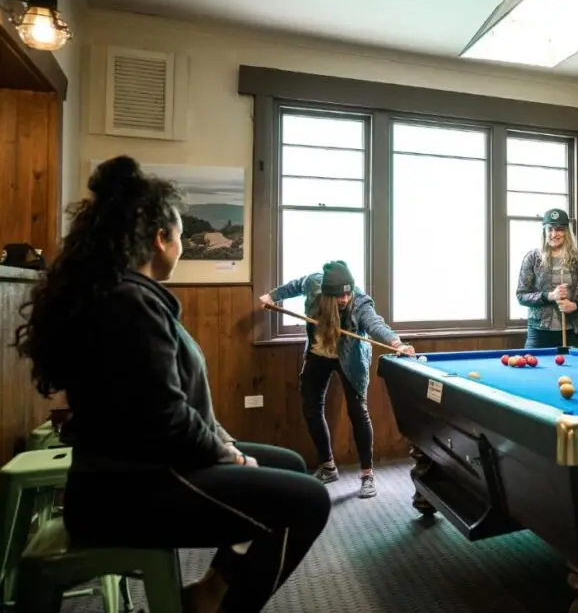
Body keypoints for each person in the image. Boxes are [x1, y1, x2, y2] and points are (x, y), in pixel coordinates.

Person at [13, 156, 330, 613]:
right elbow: (169, 421)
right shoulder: (129, 303)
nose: (182, 247)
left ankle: (211, 591)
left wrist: (225, 444)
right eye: (180, 236)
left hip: (135, 470)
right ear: (161, 240)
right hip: (127, 490)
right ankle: (217, 605)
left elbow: (177, 405)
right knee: (308, 502)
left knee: (292, 464)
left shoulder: (123, 294)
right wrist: (232, 455)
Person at [259, 262, 414, 497]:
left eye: (348, 292)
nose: (344, 298)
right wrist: (271, 296)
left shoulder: (359, 302)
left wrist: (396, 343)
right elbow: (294, 286)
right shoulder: (314, 285)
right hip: (318, 353)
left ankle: (367, 475)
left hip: (350, 359)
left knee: (358, 412)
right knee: (311, 408)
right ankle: (328, 466)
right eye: (339, 294)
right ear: (327, 292)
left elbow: (375, 324)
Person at [516, 208, 578, 349]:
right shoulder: (532, 258)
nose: (554, 234)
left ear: (566, 232)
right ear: (544, 232)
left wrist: (575, 305)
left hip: (572, 331)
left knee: (575, 371)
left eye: (559, 229)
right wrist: (550, 296)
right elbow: (521, 295)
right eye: (550, 229)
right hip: (539, 333)